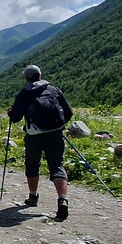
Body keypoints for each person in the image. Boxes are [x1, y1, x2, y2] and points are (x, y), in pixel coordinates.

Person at [7, 64, 74, 221]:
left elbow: (15, 117)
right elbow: (69, 112)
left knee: (32, 165)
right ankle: (62, 199)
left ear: (27, 78)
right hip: (55, 134)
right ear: (40, 75)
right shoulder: (53, 90)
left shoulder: (25, 93)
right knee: (57, 166)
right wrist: (57, 126)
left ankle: (33, 196)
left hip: (34, 135)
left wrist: (10, 112)